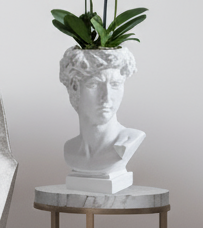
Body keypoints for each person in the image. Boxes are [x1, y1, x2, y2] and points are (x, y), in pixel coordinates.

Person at [59, 47, 144, 176]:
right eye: (94, 84)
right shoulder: (70, 149)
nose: (106, 97)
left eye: (115, 84)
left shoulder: (129, 140)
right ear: (74, 87)